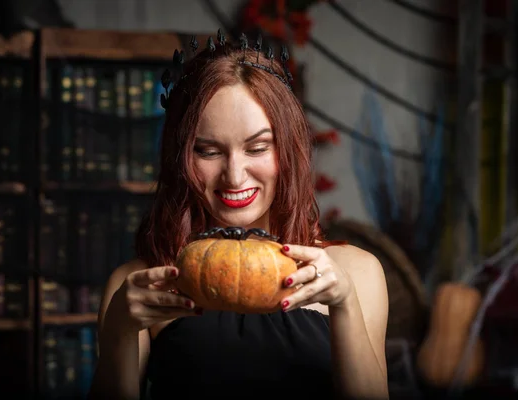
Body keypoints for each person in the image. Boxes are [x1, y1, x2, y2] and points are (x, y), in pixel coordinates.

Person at [89, 32, 389, 400]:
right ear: (180, 158)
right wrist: (120, 327)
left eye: (257, 147)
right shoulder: (139, 283)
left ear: (288, 152)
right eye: (208, 151)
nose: (234, 175)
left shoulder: (356, 273)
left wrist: (343, 303)